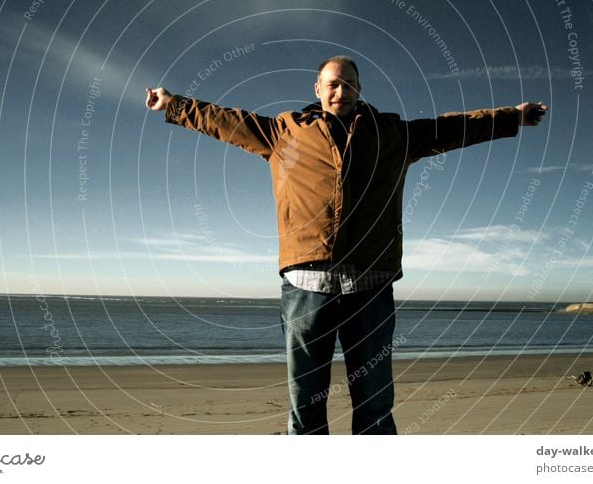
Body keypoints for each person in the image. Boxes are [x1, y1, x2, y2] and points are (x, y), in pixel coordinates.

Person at [145, 56, 548, 435]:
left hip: (371, 283)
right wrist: (173, 105)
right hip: (306, 285)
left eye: (349, 85)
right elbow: (224, 121)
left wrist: (512, 117)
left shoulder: (393, 133)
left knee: (374, 402)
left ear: (359, 89)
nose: (341, 91)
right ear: (318, 88)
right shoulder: (283, 131)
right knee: (306, 403)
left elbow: (451, 127)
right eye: (333, 84)